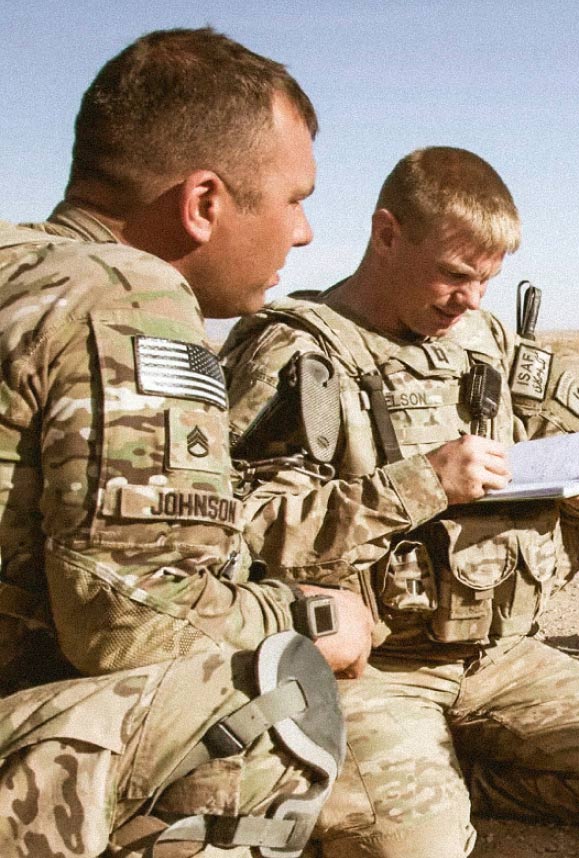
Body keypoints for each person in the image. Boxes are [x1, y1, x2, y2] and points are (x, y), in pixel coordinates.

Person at [220, 146, 579, 857]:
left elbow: (559, 440)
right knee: (413, 851)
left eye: (487, 280)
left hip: (495, 656)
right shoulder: (294, 351)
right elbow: (245, 533)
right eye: (454, 275)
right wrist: (424, 482)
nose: (471, 299)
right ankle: (365, 789)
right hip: (371, 670)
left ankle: (448, 778)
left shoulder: (485, 341)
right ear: (386, 234)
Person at [0, 28, 375, 855]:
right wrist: (309, 616)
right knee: (267, 696)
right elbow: (130, 620)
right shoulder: (127, 291)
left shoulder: (19, 263)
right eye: (294, 199)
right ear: (204, 203)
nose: (306, 233)